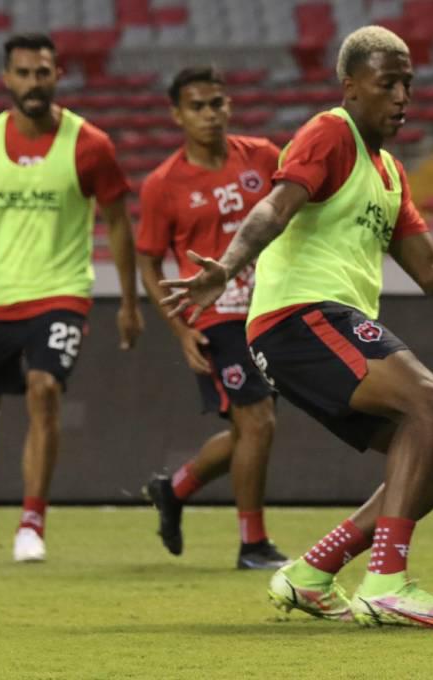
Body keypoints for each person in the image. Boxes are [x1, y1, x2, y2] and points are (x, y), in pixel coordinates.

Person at [160, 26, 433, 629]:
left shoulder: (390, 174)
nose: (403, 97)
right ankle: (387, 580)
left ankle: (311, 573)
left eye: (408, 83)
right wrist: (227, 265)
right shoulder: (330, 132)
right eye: (389, 83)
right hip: (298, 317)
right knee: (430, 401)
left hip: (328, 326)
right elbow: (274, 207)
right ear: (351, 87)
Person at [0, 33, 143, 562]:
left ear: (57, 75)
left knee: (45, 390)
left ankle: (31, 522)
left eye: (41, 73)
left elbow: (117, 224)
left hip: (60, 291)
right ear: (6, 78)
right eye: (22, 73)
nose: (32, 83)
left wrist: (131, 303)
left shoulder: (90, 144)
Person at [136, 66, 288, 570]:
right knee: (259, 422)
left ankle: (173, 489)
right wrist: (179, 328)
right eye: (197, 106)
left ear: (229, 106)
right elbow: (148, 258)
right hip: (215, 317)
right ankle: (252, 545)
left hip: (268, 309)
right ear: (177, 115)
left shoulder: (263, 157)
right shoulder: (163, 185)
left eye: (217, 103)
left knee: (250, 431)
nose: (209, 114)